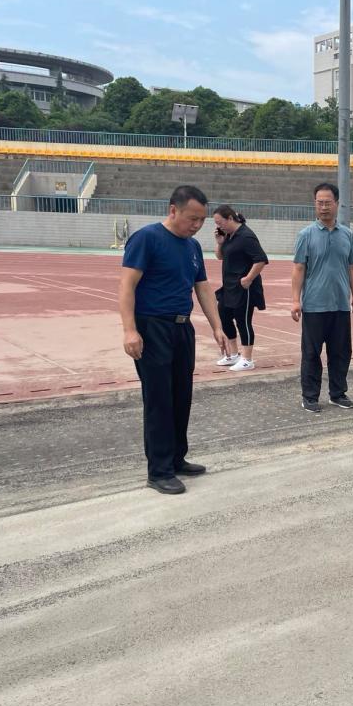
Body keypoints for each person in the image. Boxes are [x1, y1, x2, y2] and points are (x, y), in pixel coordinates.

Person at [119, 185, 227, 495]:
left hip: (182, 328)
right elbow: (126, 286)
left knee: (181, 396)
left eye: (202, 220)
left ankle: (177, 458)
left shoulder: (192, 247)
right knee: (159, 400)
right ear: (173, 210)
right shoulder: (147, 239)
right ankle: (159, 470)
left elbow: (202, 287)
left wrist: (217, 326)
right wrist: (130, 330)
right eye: (192, 218)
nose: (197, 225)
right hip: (152, 327)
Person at [291, 182, 353, 412]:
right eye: (319, 203)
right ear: (315, 204)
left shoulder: (347, 235)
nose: (323, 207)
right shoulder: (306, 235)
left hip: (340, 305)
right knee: (311, 354)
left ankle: (337, 394)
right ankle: (310, 396)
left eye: (327, 203)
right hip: (314, 305)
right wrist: (295, 300)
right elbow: (299, 268)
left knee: (341, 353)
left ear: (337, 204)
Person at [212, 205, 269, 372]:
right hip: (229, 286)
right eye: (216, 223)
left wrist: (248, 278)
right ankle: (233, 354)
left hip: (245, 287)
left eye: (220, 222)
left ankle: (247, 359)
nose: (218, 226)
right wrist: (220, 243)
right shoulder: (229, 236)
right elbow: (220, 256)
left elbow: (261, 259)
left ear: (230, 218)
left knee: (243, 321)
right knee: (223, 316)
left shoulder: (246, 236)